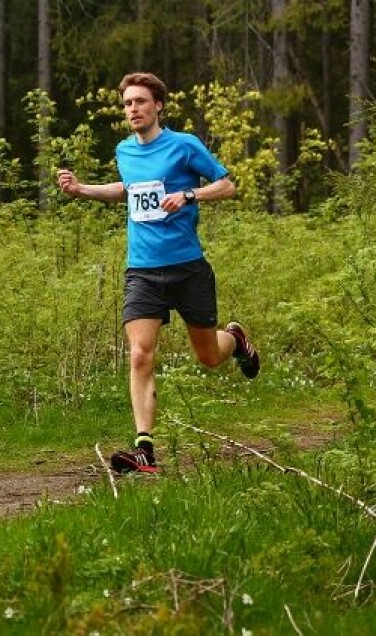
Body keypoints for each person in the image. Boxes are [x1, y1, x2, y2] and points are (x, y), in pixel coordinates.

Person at [56, 72, 259, 474]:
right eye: (127, 103)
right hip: (143, 271)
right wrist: (82, 189)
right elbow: (127, 189)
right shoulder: (124, 150)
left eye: (140, 102)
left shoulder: (184, 145)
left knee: (208, 356)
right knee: (139, 354)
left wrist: (189, 194)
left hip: (187, 268)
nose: (133, 109)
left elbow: (227, 186)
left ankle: (235, 340)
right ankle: (144, 449)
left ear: (158, 106)